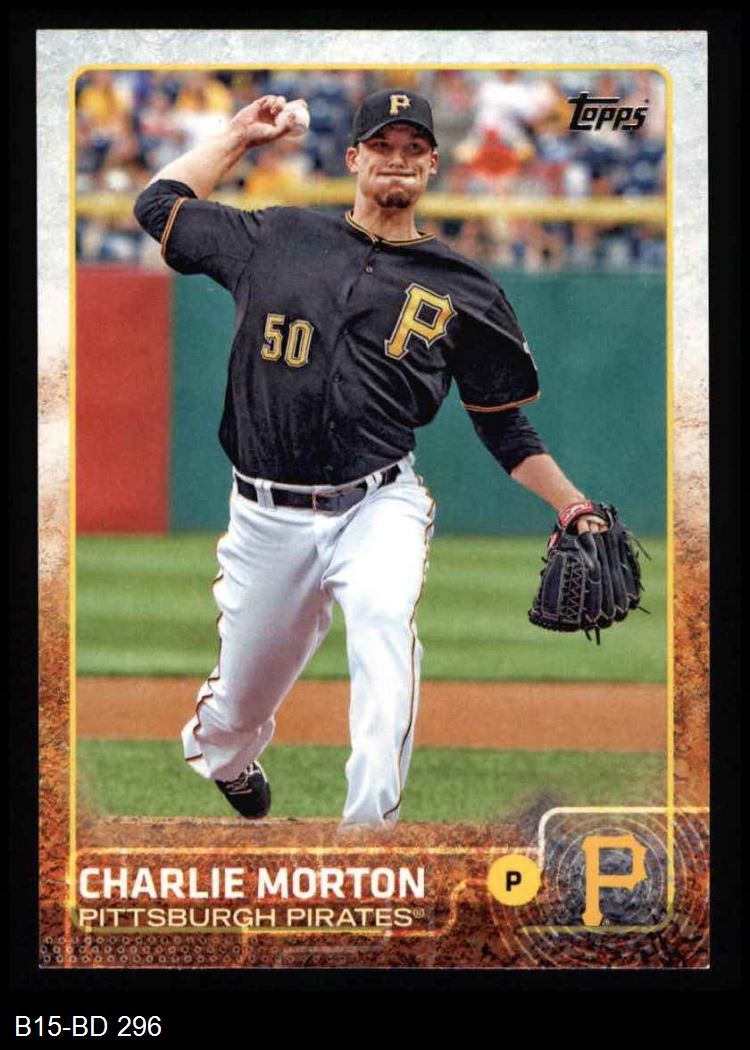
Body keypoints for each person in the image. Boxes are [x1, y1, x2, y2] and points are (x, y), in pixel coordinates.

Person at [134, 88, 607, 835]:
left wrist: (571, 502)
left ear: (432, 165)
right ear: (354, 158)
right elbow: (158, 206)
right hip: (266, 517)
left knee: (386, 625)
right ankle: (226, 757)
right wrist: (239, 136)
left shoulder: (466, 288)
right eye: (382, 146)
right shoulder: (277, 235)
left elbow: (502, 424)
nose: (398, 159)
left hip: (378, 502)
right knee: (235, 712)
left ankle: (368, 836)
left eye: (413, 148)